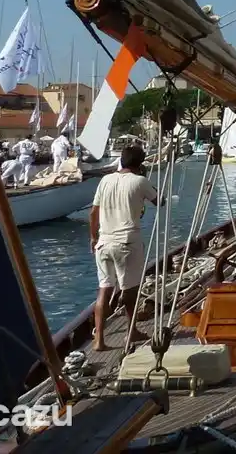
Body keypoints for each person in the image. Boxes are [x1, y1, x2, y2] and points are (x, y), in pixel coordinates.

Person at [90, 143, 158, 351]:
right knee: (131, 290)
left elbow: (93, 214)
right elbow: (160, 201)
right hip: (127, 242)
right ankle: (131, 330)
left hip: (104, 243)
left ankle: (98, 340)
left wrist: (93, 238)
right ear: (140, 163)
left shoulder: (105, 180)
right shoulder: (140, 181)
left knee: (104, 291)